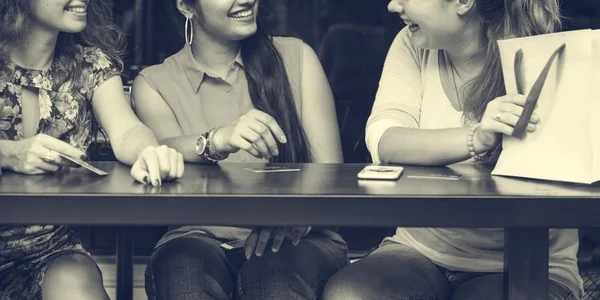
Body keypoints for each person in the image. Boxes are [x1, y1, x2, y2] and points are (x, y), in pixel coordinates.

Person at [323, 0, 582, 299]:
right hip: (420, 249)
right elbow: (384, 140)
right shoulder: (411, 42)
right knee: (349, 293)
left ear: (463, 2)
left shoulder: (543, 51)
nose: (393, 5)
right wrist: (477, 137)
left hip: (527, 258)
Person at [131, 0, 348, 299]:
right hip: (196, 237)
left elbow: (332, 179)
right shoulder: (153, 83)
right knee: (183, 269)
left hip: (301, 238)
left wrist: (297, 217)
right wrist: (218, 139)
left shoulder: (298, 57)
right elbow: (162, 149)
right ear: (185, 5)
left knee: (272, 274)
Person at [0, 0, 185, 299]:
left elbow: (127, 129)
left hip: (49, 250)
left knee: (74, 284)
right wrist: (9, 152)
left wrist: (149, 151)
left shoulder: (91, 65)